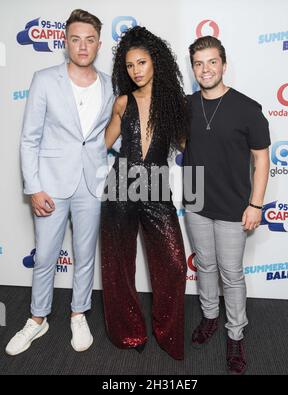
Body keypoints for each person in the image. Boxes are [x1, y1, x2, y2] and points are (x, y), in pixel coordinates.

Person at [6, 9, 114, 355]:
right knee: (45, 256)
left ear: (98, 44)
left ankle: (78, 313)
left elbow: (109, 137)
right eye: (75, 39)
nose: (83, 46)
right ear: (65, 42)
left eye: (90, 39)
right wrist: (33, 187)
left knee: (85, 254)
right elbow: (29, 139)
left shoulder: (111, 85)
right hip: (50, 184)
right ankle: (37, 319)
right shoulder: (44, 79)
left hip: (91, 184)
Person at [183, 36, 270, 374]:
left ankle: (235, 334)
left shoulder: (248, 108)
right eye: (199, 63)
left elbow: (261, 160)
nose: (206, 69)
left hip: (235, 205)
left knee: (231, 274)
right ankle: (209, 318)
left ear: (223, 64)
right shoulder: (187, 105)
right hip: (194, 200)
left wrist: (256, 204)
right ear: (193, 68)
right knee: (205, 266)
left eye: (212, 61)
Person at [101, 26, 188, 360]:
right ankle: (129, 333)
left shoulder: (175, 104)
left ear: (156, 63)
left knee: (175, 263)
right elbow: (103, 145)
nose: (135, 70)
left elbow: (190, 145)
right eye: (129, 65)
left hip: (155, 188)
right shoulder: (123, 101)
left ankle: (167, 333)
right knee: (118, 264)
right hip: (120, 185)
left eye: (141, 62)